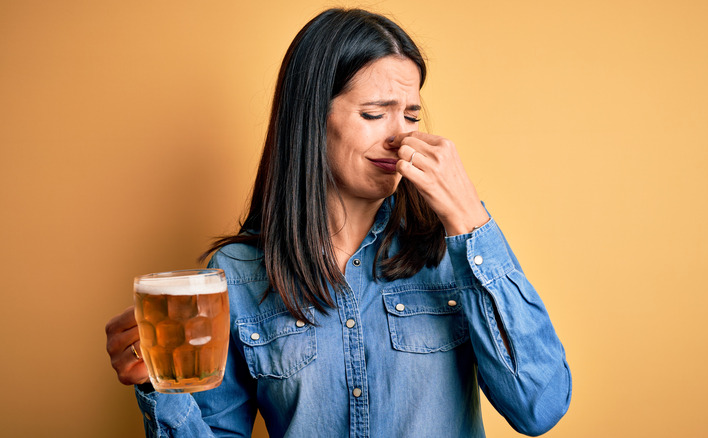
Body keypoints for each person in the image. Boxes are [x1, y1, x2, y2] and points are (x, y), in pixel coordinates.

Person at [105, 8, 571, 437]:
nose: (400, 136)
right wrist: (160, 391)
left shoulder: (453, 252)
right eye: (374, 113)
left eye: (410, 114)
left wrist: (470, 219)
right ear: (311, 119)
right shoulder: (237, 274)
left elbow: (539, 406)